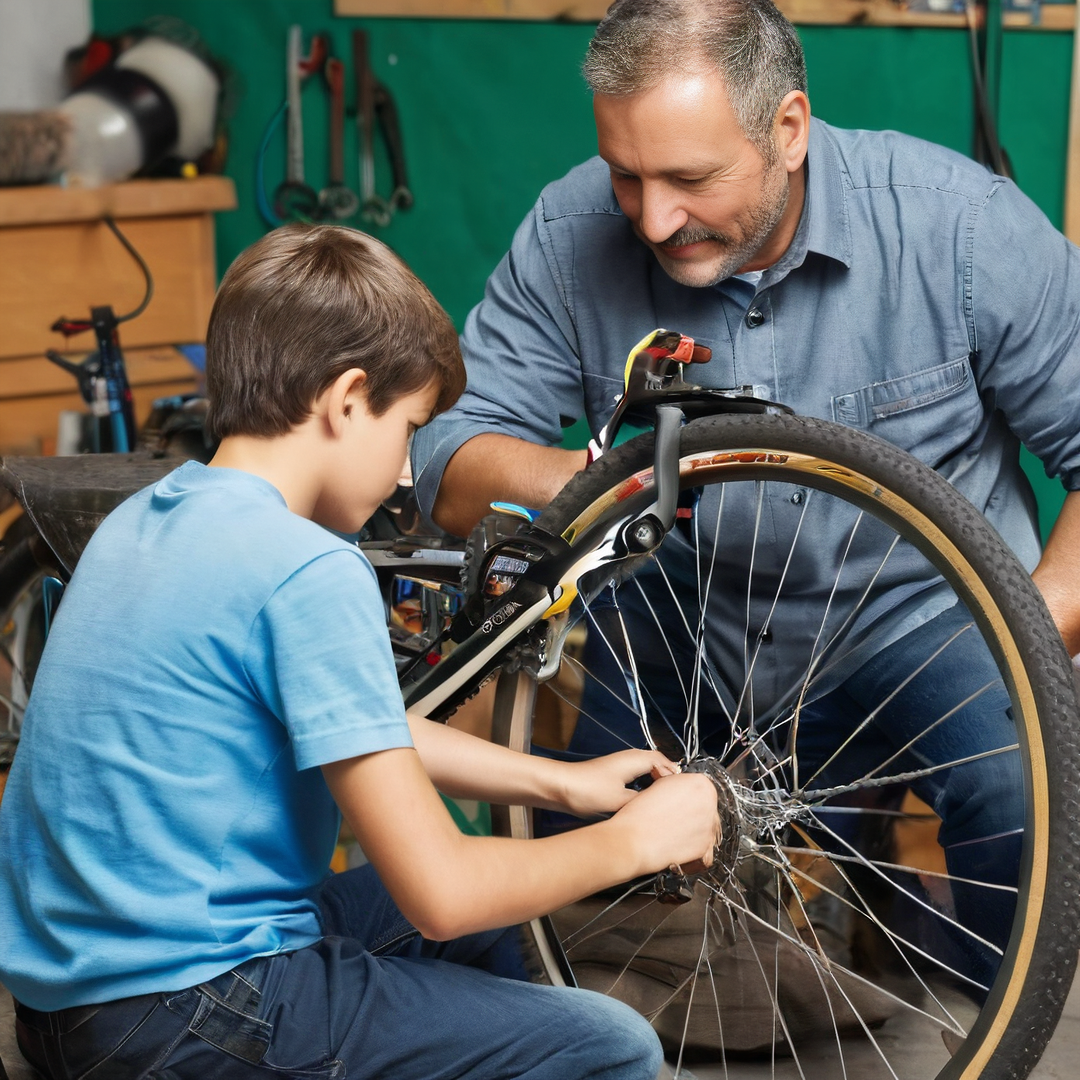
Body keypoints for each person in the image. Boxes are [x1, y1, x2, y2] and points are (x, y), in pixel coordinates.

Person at [410, 0, 1080, 990]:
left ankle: (983, 994)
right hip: (684, 618)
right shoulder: (568, 232)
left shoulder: (963, 229)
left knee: (1021, 794)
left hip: (920, 620)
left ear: (789, 129)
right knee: (574, 880)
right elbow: (445, 454)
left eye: (690, 180)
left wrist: (1026, 642)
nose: (652, 219)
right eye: (626, 175)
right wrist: (607, 487)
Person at [0, 223, 722, 1080]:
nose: (408, 468)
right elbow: (443, 895)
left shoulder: (144, 518)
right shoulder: (305, 567)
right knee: (607, 1044)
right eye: (410, 427)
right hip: (186, 1009)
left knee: (493, 909)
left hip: (66, 1005)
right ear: (347, 400)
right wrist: (634, 843)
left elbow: (361, 725)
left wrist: (559, 783)